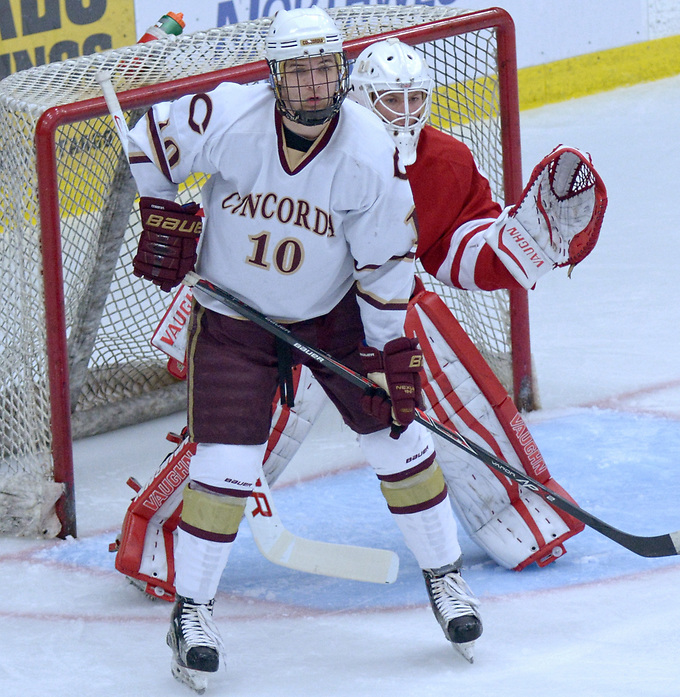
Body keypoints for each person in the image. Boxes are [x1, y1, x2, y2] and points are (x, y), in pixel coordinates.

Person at [126, 9, 483, 692]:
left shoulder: (369, 149)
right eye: (300, 70)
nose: (314, 83)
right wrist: (158, 209)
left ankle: (446, 579)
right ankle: (192, 610)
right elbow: (148, 143)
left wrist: (387, 352)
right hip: (233, 317)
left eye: (324, 68)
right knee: (226, 465)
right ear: (275, 76)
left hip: (332, 318)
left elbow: (383, 268)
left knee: (399, 441)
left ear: (339, 72)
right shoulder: (230, 116)